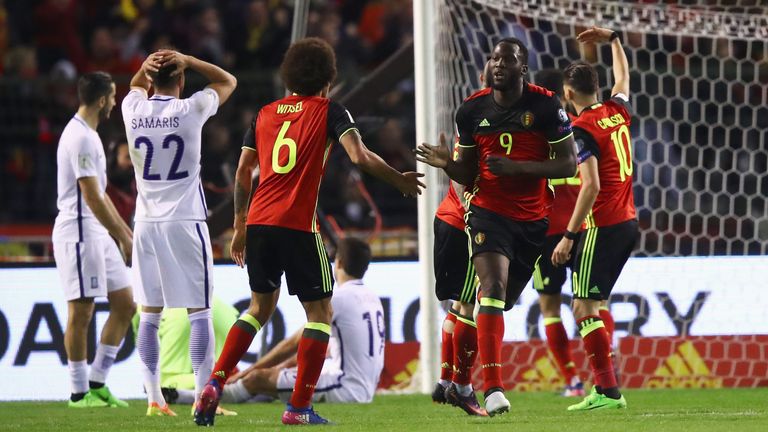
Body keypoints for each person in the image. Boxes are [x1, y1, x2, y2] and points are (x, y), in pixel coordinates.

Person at [195, 37, 424, 426]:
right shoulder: (330, 110)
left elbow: (242, 174)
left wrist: (239, 226)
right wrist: (398, 179)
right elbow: (359, 156)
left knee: (258, 309)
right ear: (329, 79)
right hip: (299, 225)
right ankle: (298, 407)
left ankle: (214, 383)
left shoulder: (265, 113)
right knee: (320, 314)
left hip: (260, 222)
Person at [416, 37, 577, 416]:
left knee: (496, 302)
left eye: (508, 59)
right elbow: (467, 172)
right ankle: (490, 388)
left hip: (532, 220)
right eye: (494, 58)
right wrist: (446, 164)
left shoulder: (546, 106)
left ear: (523, 68)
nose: (498, 64)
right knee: (488, 289)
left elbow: (568, 165)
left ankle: (456, 380)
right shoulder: (471, 111)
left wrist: (520, 168)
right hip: (487, 212)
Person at [121, 49, 237, 416]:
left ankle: (154, 398)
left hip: (144, 222)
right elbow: (227, 81)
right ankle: (206, 397)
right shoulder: (190, 110)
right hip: (185, 221)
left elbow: (135, 85)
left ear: (151, 80)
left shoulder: (132, 108)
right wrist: (188, 58)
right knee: (199, 312)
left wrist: (145, 67)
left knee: (150, 313)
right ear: (183, 80)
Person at [178, 238, 384, 406]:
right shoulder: (372, 297)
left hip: (345, 387)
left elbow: (294, 344)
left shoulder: (339, 298)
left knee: (258, 379)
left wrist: (250, 370)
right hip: (364, 385)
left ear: (337, 262)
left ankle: (190, 398)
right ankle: (253, 393)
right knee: (288, 371)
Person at [551, 26, 636, 411]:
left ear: (567, 94)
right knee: (594, 304)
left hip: (601, 226)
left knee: (582, 306)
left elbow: (590, 186)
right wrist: (615, 39)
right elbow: (624, 79)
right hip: (629, 223)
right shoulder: (616, 110)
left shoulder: (580, 129)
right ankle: (606, 388)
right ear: (596, 88)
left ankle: (606, 391)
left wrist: (569, 235)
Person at [51, 71, 136, 408]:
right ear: (102, 100)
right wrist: (124, 235)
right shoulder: (81, 138)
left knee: (125, 304)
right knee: (81, 312)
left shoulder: (90, 133)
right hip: (79, 231)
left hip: (97, 231)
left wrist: (119, 234)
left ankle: (98, 381)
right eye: (114, 97)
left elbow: (98, 195)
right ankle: (77, 393)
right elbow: (92, 196)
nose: (115, 102)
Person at [432, 61, 491, 417]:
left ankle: (444, 381)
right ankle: (465, 389)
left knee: (457, 305)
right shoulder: (482, 119)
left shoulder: (471, 117)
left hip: (447, 217)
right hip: (465, 223)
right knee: (471, 306)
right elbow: (463, 176)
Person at [531, 68, 585, 397]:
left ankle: (572, 382)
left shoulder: (533, 134)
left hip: (546, 228)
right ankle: (604, 376)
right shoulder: (580, 129)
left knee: (550, 308)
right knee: (594, 303)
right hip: (581, 224)